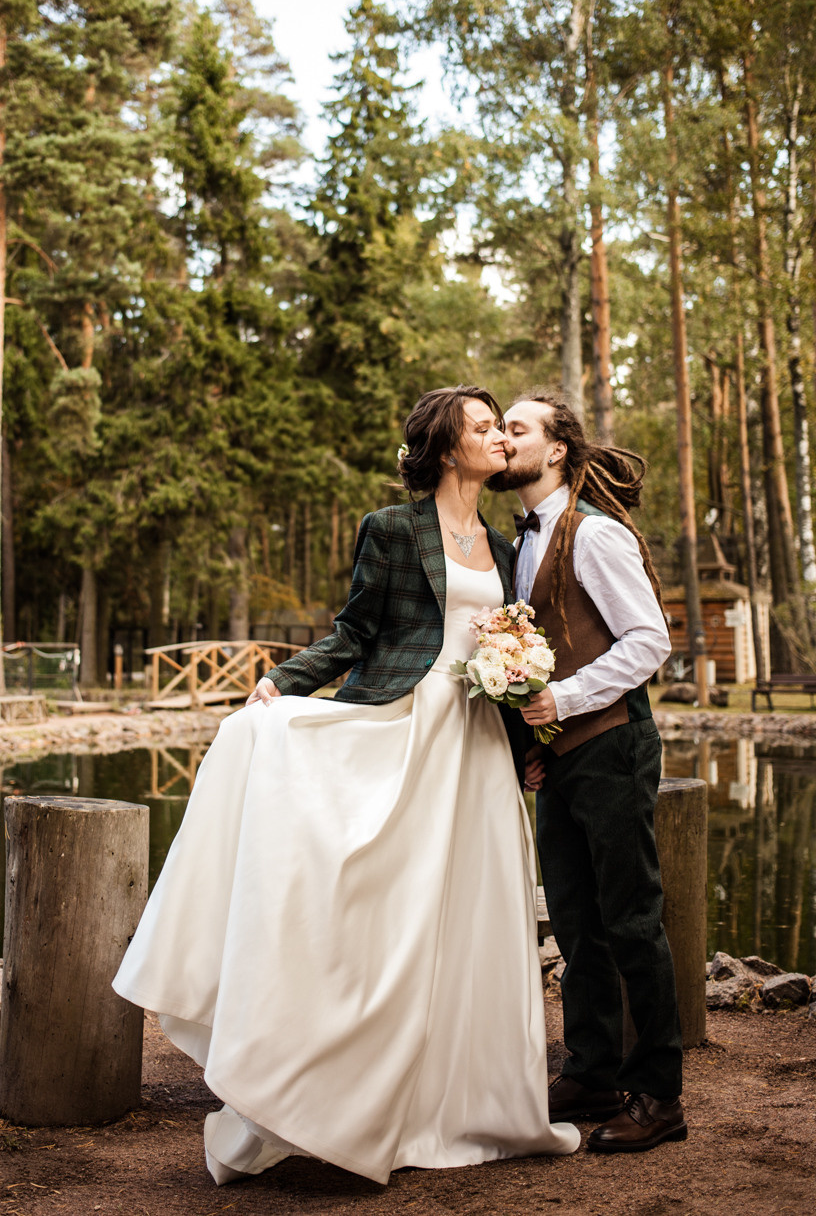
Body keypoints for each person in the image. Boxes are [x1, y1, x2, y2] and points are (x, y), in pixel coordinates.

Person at [113, 384, 580, 1186]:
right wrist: (281, 683)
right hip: (402, 727)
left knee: (462, 920)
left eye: (499, 426)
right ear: (443, 448)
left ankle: (452, 1102)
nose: (497, 436)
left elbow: (503, 661)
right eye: (479, 426)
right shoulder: (392, 530)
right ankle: (330, 1101)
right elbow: (355, 633)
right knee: (380, 913)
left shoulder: (505, 550)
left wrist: (527, 743)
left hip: (474, 748)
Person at [488, 389, 684, 1153]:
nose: (503, 439)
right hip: (563, 758)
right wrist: (535, 744)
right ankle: (594, 1070)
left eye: (517, 428)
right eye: (499, 427)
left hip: (612, 747)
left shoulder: (594, 534)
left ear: (557, 448)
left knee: (632, 921)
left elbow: (647, 641)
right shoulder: (525, 540)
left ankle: (660, 1096)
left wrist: (561, 699)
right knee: (575, 922)